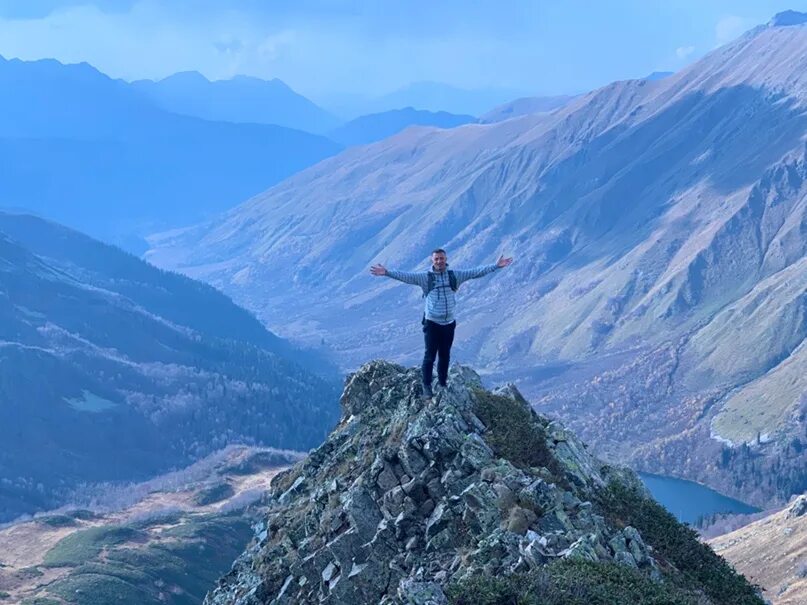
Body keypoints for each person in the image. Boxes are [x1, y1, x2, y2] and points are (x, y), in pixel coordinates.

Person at [370, 248, 513, 398]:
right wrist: (387, 272)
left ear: (446, 259)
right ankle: (427, 386)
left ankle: (443, 383)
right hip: (432, 322)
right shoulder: (426, 278)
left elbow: (475, 272)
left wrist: (496, 266)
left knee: (445, 355)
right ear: (432, 261)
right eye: (436, 259)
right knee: (430, 355)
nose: (439, 261)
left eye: (441, 258)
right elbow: (406, 277)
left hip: (449, 323)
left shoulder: (454, 276)